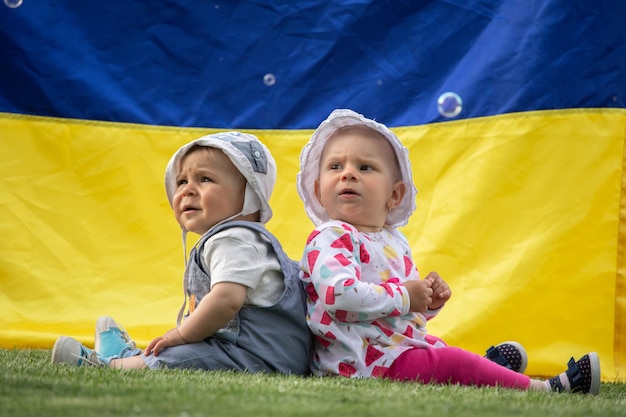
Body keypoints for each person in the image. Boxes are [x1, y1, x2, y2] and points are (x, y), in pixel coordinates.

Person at [295, 108, 600, 394]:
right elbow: (339, 298)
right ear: (320, 190)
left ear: (395, 194)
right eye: (336, 166)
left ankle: (489, 371)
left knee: (436, 347)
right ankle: (545, 389)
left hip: (392, 349)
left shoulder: (393, 240)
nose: (348, 173)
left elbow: (397, 314)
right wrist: (406, 296)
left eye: (365, 167)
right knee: (448, 361)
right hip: (357, 364)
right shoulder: (330, 236)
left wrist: (426, 302)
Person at [51, 132, 311, 375]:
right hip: (263, 353)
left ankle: (109, 365)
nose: (186, 189)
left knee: (178, 354)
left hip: (259, 357)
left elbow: (226, 300)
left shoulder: (235, 239)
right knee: (186, 349)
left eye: (205, 179)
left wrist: (181, 335)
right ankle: (130, 356)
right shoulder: (238, 239)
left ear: (249, 195)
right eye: (181, 181)